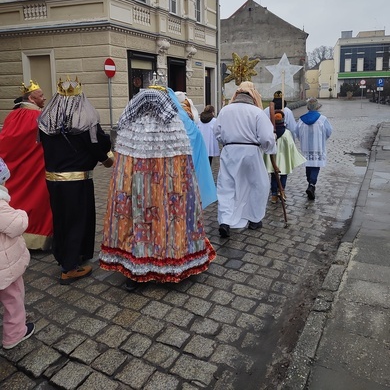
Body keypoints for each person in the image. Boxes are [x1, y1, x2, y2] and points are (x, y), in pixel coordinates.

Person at [99, 86, 216, 291]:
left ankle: (137, 270)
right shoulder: (175, 125)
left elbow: (121, 176)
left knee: (140, 223)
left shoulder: (130, 129)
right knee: (167, 222)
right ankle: (174, 262)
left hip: (139, 195)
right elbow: (186, 166)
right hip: (167, 193)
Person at [38, 77, 113, 284]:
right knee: (77, 220)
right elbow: (99, 144)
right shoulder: (85, 120)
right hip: (77, 181)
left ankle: (68, 255)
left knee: (61, 219)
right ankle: (69, 267)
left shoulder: (47, 121)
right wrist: (106, 157)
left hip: (53, 180)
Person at [214, 81, 276, 238]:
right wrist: (269, 146)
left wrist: (229, 142)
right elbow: (266, 137)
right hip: (251, 152)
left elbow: (218, 133)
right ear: (253, 95)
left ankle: (225, 221)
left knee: (227, 186)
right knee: (257, 184)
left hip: (230, 151)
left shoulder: (225, 111)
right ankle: (254, 219)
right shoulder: (257, 112)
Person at [0, 81, 53, 250]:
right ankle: (38, 237)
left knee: (17, 197)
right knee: (37, 200)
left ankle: (16, 231)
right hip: (37, 168)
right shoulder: (40, 117)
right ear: (31, 98)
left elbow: (6, 143)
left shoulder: (12, 115)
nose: (44, 98)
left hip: (16, 168)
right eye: (41, 96)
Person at [0, 157, 35, 350]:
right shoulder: (1, 206)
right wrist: (22, 213)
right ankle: (14, 334)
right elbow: (16, 225)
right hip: (5, 267)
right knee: (13, 297)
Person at [263, 111, 306, 203]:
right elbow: (291, 146)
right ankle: (281, 191)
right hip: (284, 159)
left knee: (274, 176)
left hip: (273, 159)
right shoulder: (286, 133)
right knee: (283, 175)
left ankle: (274, 195)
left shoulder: (270, 133)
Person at [295, 98, 333, 200]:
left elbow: (297, 132)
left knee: (308, 165)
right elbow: (329, 131)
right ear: (317, 107)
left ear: (307, 107)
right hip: (318, 146)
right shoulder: (322, 119)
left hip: (306, 147)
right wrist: (323, 138)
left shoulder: (301, 120)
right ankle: (311, 184)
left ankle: (310, 182)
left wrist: (302, 140)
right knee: (315, 166)